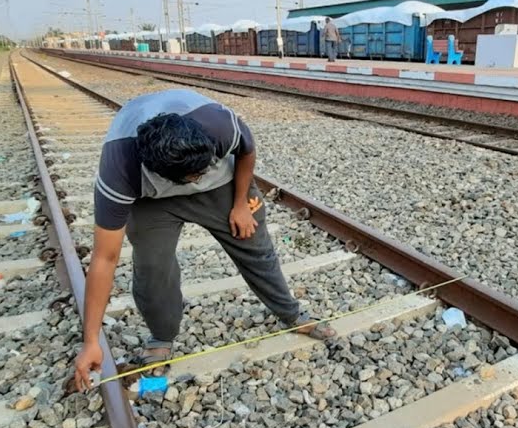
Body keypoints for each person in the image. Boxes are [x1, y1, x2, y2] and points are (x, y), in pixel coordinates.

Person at [72, 88, 337, 392]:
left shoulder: (219, 125)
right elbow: (105, 258)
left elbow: (247, 151)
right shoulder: (120, 170)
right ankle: (161, 336)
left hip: (222, 188)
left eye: (204, 168)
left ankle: (291, 313)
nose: (199, 178)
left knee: (254, 245)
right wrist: (90, 340)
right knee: (152, 265)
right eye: (193, 177)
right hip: (152, 201)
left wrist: (240, 203)